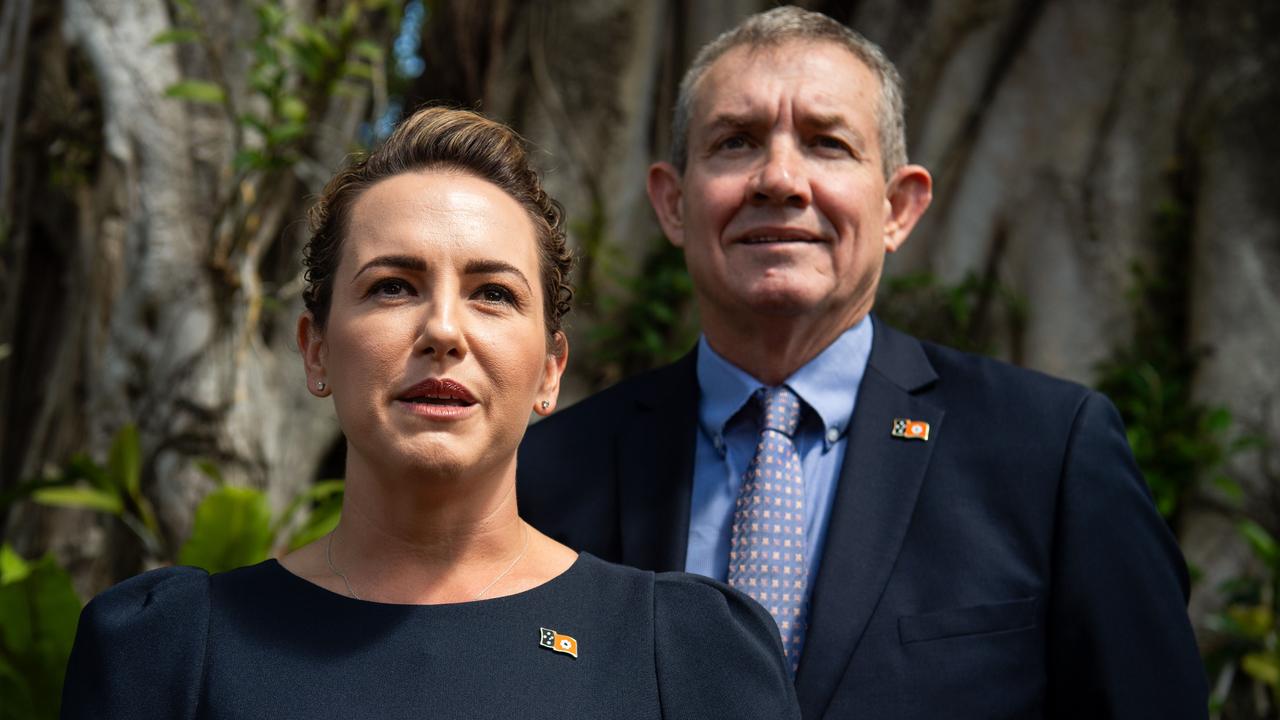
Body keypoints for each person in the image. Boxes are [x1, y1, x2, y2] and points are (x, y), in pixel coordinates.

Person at [518, 7, 1208, 719]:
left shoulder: (1049, 453)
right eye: (735, 142)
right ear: (671, 204)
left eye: (827, 144)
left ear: (898, 209)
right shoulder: (551, 474)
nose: (779, 179)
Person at [60, 107, 800, 720]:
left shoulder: (686, 653)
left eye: (493, 293)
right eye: (392, 286)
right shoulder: (169, 653)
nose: (444, 329)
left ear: (550, 369)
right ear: (315, 351)